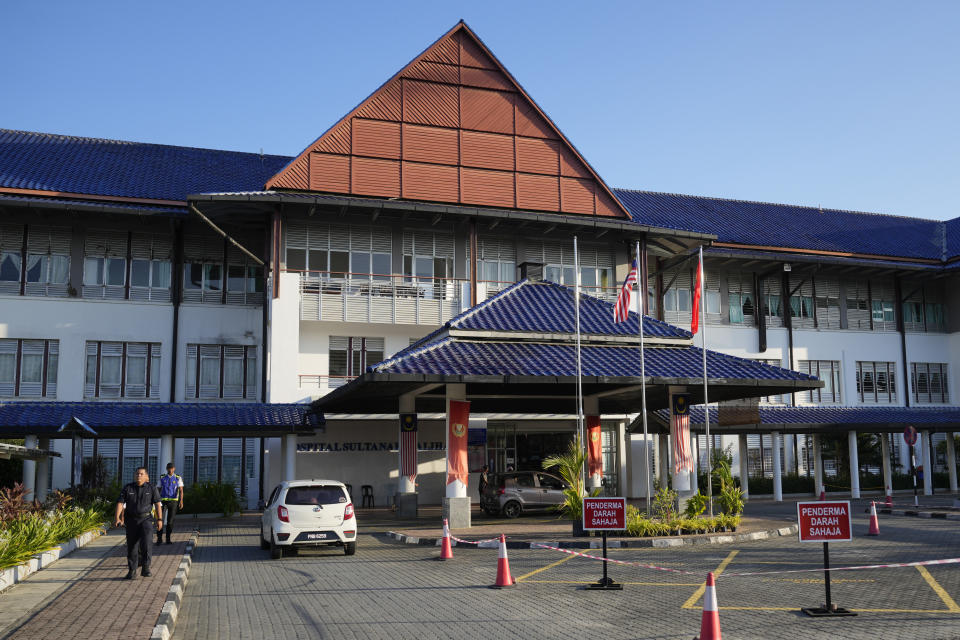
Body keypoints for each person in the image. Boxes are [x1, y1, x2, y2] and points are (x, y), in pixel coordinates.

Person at [114, 467, 162, 579]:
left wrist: (159, 519)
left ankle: (146, 568)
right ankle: (132, 571)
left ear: (146, 476)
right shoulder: (128, 488)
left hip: (146, 520)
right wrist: (117, 518)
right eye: (137, 474)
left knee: (146, 544)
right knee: (132, 546)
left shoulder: (151, 488)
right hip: (131, 521)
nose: (138, 476)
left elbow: (157, 504)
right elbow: (120, 503)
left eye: (141, 474)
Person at [157, 462, 184, 545]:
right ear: (166, 469)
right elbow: (158, 489)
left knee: (170, 521)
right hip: (163, 501)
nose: (170, 470)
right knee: (160, 520)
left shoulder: (177, 478)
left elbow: (181, 490)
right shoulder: (162, 477)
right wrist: (156, 501)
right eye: (169, 468)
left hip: (173, 501)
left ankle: (168, 538)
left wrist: (181, 501)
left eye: (172, 468)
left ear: (174, 469)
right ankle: (159, 539)